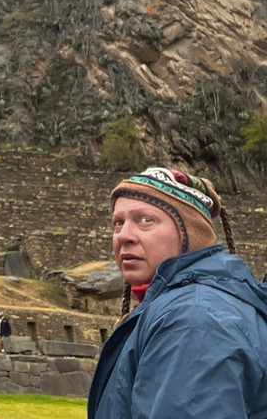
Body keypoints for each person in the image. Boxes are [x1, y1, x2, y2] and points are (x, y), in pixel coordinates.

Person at [88, 167, 267, 418]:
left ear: (189, 235)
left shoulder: (194, 318)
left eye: (145, 220)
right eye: (118, 223)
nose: (124, 236)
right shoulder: (185, 307)